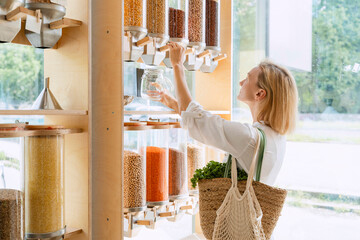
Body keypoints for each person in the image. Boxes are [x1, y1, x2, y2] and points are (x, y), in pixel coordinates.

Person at [157, 42, 298, 186]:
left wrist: (177, 65)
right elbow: (194, 116)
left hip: (237, 209)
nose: (241, 82)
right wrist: (172, 103)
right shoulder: (275, 136)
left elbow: (199, 120)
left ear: (260, 93)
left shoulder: (249, 138)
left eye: (248, 78)